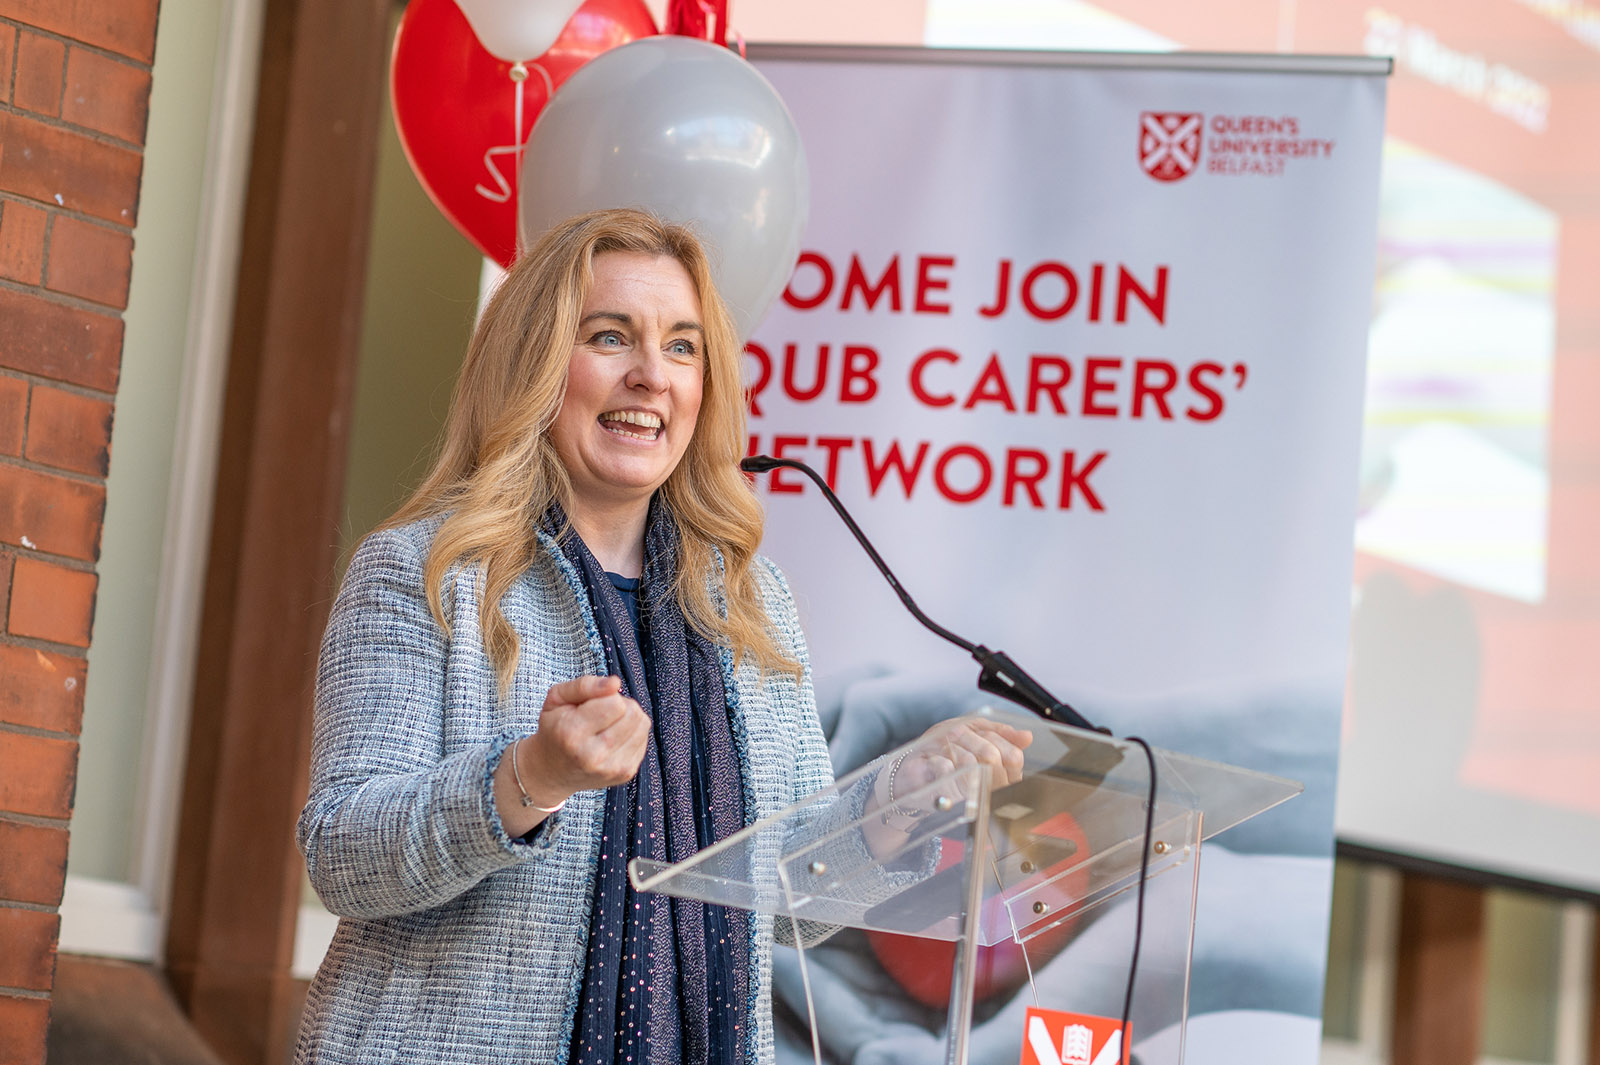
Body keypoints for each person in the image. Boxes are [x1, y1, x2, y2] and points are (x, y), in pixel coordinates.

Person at [293, 208, 1028, 1065]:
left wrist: (897, 804)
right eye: (611, 337)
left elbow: (792, 901)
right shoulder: (426, 572)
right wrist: (528, 776)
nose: (652, 375)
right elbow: (342, 854)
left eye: (682, 346)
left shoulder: (750, 603)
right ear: (533, 364)